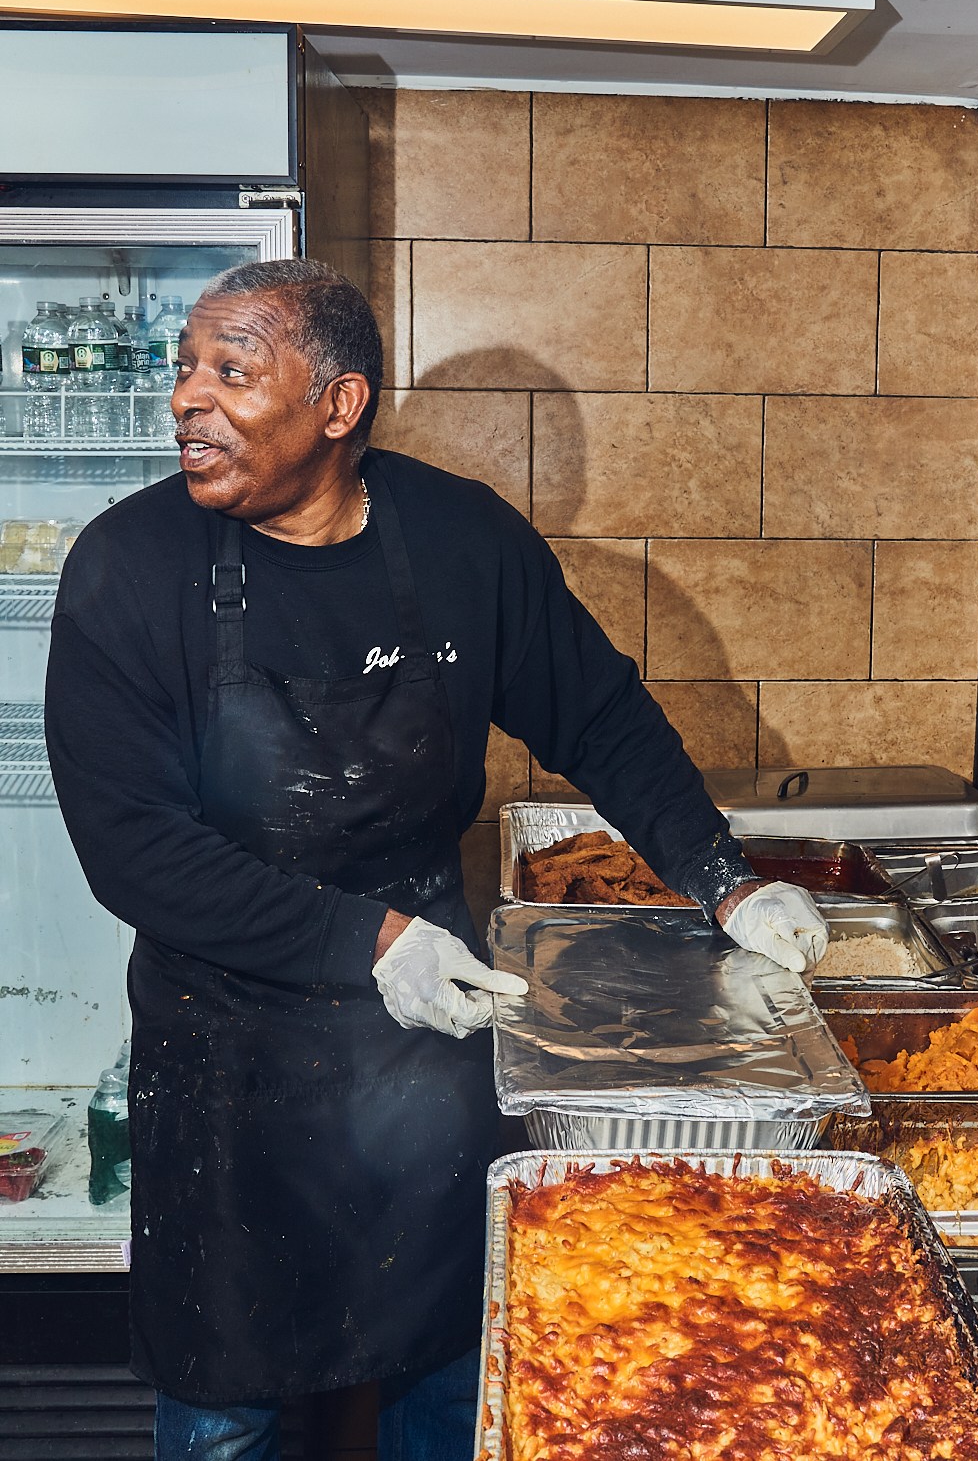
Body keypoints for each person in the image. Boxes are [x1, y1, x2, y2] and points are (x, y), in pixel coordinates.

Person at [44, 259, 828, 1461]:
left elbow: (600, 717)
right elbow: (134, 852)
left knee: (450, 1376)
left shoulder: (462, 541)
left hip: (425, 1047)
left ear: (338, 405)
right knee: (223, 1415)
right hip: (224, 1054)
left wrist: (724, 875)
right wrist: (365, 942)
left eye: (232, 372)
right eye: (186, 368)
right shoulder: (127, 566)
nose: (188, 400)